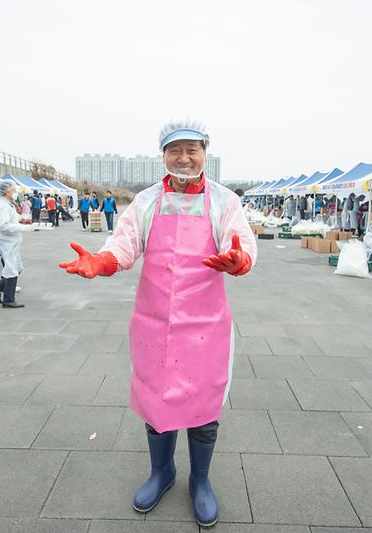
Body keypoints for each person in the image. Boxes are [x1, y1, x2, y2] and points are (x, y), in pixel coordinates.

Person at [59, 120, 257, 528]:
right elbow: (125, 241)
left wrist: (239, 260)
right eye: (174, 150)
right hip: (154, 323)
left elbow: (240, 240)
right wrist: (103, 261)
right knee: (156, 402)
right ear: (163, 155)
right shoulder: (147, 200)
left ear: (205, 153)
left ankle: (200, 481)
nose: (183, 158)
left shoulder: (224, 201)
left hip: (205, 326)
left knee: (203, 409)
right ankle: (162, 472)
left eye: (192, 150)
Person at [0, 179, 25, 308]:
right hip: (5, 241)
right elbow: (3, 226)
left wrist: (20, 221)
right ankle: (8, 300)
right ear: (8, 192)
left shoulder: (7, 204)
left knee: (17, 267)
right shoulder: (2, 206)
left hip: (11, 241)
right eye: (14, 190)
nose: (15, 192)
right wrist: (22, 228)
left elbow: (10, 221)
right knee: (11, 269)